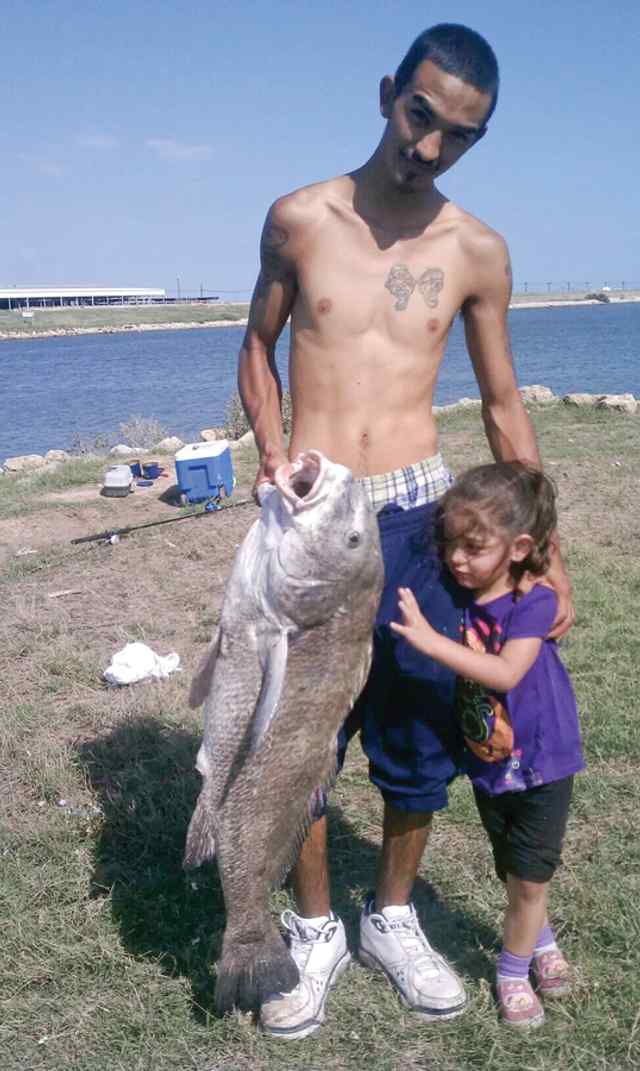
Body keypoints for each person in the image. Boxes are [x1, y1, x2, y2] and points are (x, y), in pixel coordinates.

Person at [237, 23, 575, 1039]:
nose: (427, 146)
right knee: (296, 747)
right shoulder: (298, 218)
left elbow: (504, 404)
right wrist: (269, 451)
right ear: (389, 92)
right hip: (314, 513)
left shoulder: (474, 250)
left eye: (456, 135)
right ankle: (311, 932)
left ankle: (389, 917)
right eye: (418, 115)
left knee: (420, 740)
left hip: (423, 515)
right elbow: (255, 349)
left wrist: (545, 547)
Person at [390, 462, 584, 1028]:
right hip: (491, 763)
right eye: (451, 544)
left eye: (474, 547)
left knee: (530, 876)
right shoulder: (462, 597)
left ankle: (511, 971)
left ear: (520, 547)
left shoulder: (535, 603)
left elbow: (504, 672)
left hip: (542, 763)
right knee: (514, 869)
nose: (456, 559)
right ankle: (541, 941)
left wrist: (428, 641)